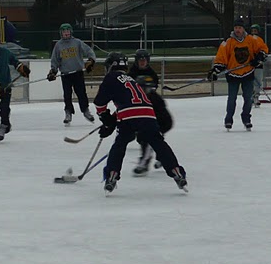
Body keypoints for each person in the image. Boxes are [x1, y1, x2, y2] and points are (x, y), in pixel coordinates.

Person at [94, 52, 187, 193]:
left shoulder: (111, 77)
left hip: (129, 116)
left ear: (111, 65)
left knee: (120, 144)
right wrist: (112, 120)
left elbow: (100, 103)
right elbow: (132, 104)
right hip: (148, 114)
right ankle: (176, 171)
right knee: (158, 143)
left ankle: (112, 174)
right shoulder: (131, 79)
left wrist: (106, 120)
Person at [208, 18, 268, 130]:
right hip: (233, 74)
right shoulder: (228, 42)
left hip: (248, 73)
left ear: (243, 29)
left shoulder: (252, 40)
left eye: (239, 28)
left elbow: (263, 49)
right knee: (232, 99)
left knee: (248, 99)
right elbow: (221, 57)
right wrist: (216, 70)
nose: (237, 30)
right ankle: (228, 120)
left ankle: (246, 118)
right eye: (236, 28)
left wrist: (259, 57)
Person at [127, 48, 174, 175]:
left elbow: (161, 116)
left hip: (160, 120)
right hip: (148, 116)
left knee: (147, 138)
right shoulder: (131, 74)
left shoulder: (153, 98)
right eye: (140, 60)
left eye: (144, 60)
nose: (142, 62)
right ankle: (162, 158)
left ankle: (144, 163)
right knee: (151, 139)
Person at [48, 23, 96, 126]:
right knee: (67, 94)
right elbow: (55, 59)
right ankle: (68, 112)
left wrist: (91, 60)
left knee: (81, 93)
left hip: (77, 73)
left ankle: (85, 110)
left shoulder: (77, 42)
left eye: (68, 31)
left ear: (71, 32)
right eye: (64, 31)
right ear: (61, 33)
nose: (66, 33)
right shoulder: (58, 45)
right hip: (66, 74)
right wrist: (53, 71)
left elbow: (89, 51)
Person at [249, 24, 268, 108]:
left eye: (255, 31)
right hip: (249, 65)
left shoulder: (260, 40)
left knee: (258, 81)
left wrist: (260, 57)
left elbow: (264, 50)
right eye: (252, 31)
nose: (254, 32)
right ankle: (250, 97)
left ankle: (256, 97)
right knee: (249, 81)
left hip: (258, 64)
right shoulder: (247, 39)